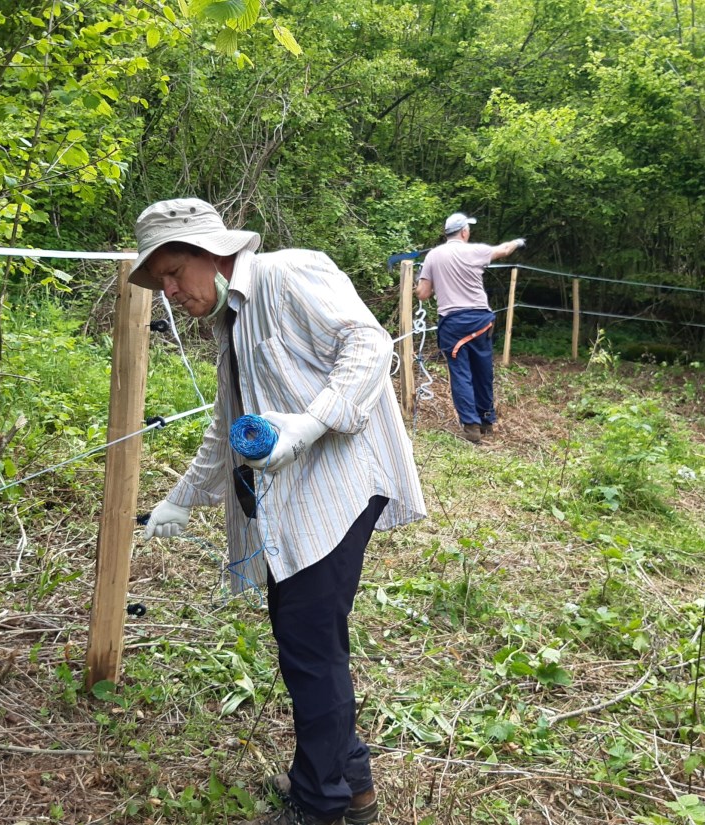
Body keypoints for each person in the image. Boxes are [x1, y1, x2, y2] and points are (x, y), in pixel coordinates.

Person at [130, 198, 426, 825]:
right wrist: (181, 499)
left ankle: (320, 806)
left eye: (175, 271)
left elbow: (369, 345)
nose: (170, 291)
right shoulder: (227, 322)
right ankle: (354, 787)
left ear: (215, 253)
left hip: (338, 485)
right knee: (309, 645)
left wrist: (311, 423)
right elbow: (227, 426)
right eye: (160, 281)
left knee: (310, 650)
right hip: (292, 498)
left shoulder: (291, 274)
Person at [415, 213, 524, 444]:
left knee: (461, 375)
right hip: (480, 321)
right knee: (483, 371)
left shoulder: (433, 256)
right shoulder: (476, 251)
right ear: (464, 232)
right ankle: (486, 420)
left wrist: (432, 281)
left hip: (453, 324)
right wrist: (517, 242)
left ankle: (471, 425)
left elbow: (423, 294)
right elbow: (503, 250)